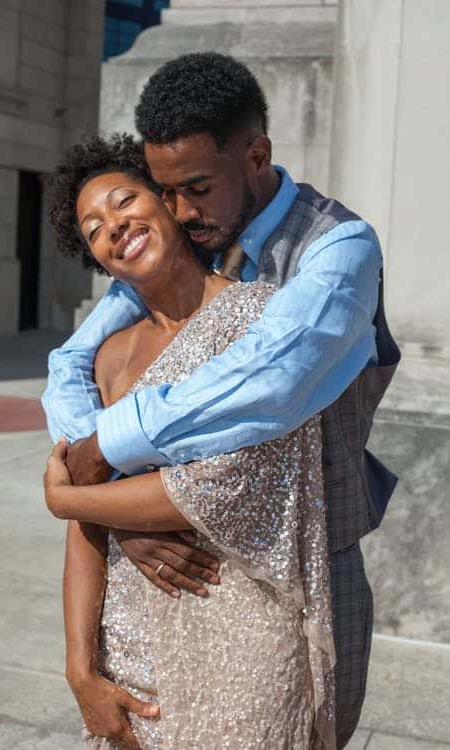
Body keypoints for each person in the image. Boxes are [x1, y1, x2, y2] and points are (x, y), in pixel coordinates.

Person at [42, 53, 400, 749]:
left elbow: (270, 385)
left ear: (257, 154)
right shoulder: (187, 239)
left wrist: (84, 484)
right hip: (169, 582)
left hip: (307, 567)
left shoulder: (337, 249)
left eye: (195, 187)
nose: (179, 209)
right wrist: (111, 500)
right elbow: (73, 362)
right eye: (166, 191)